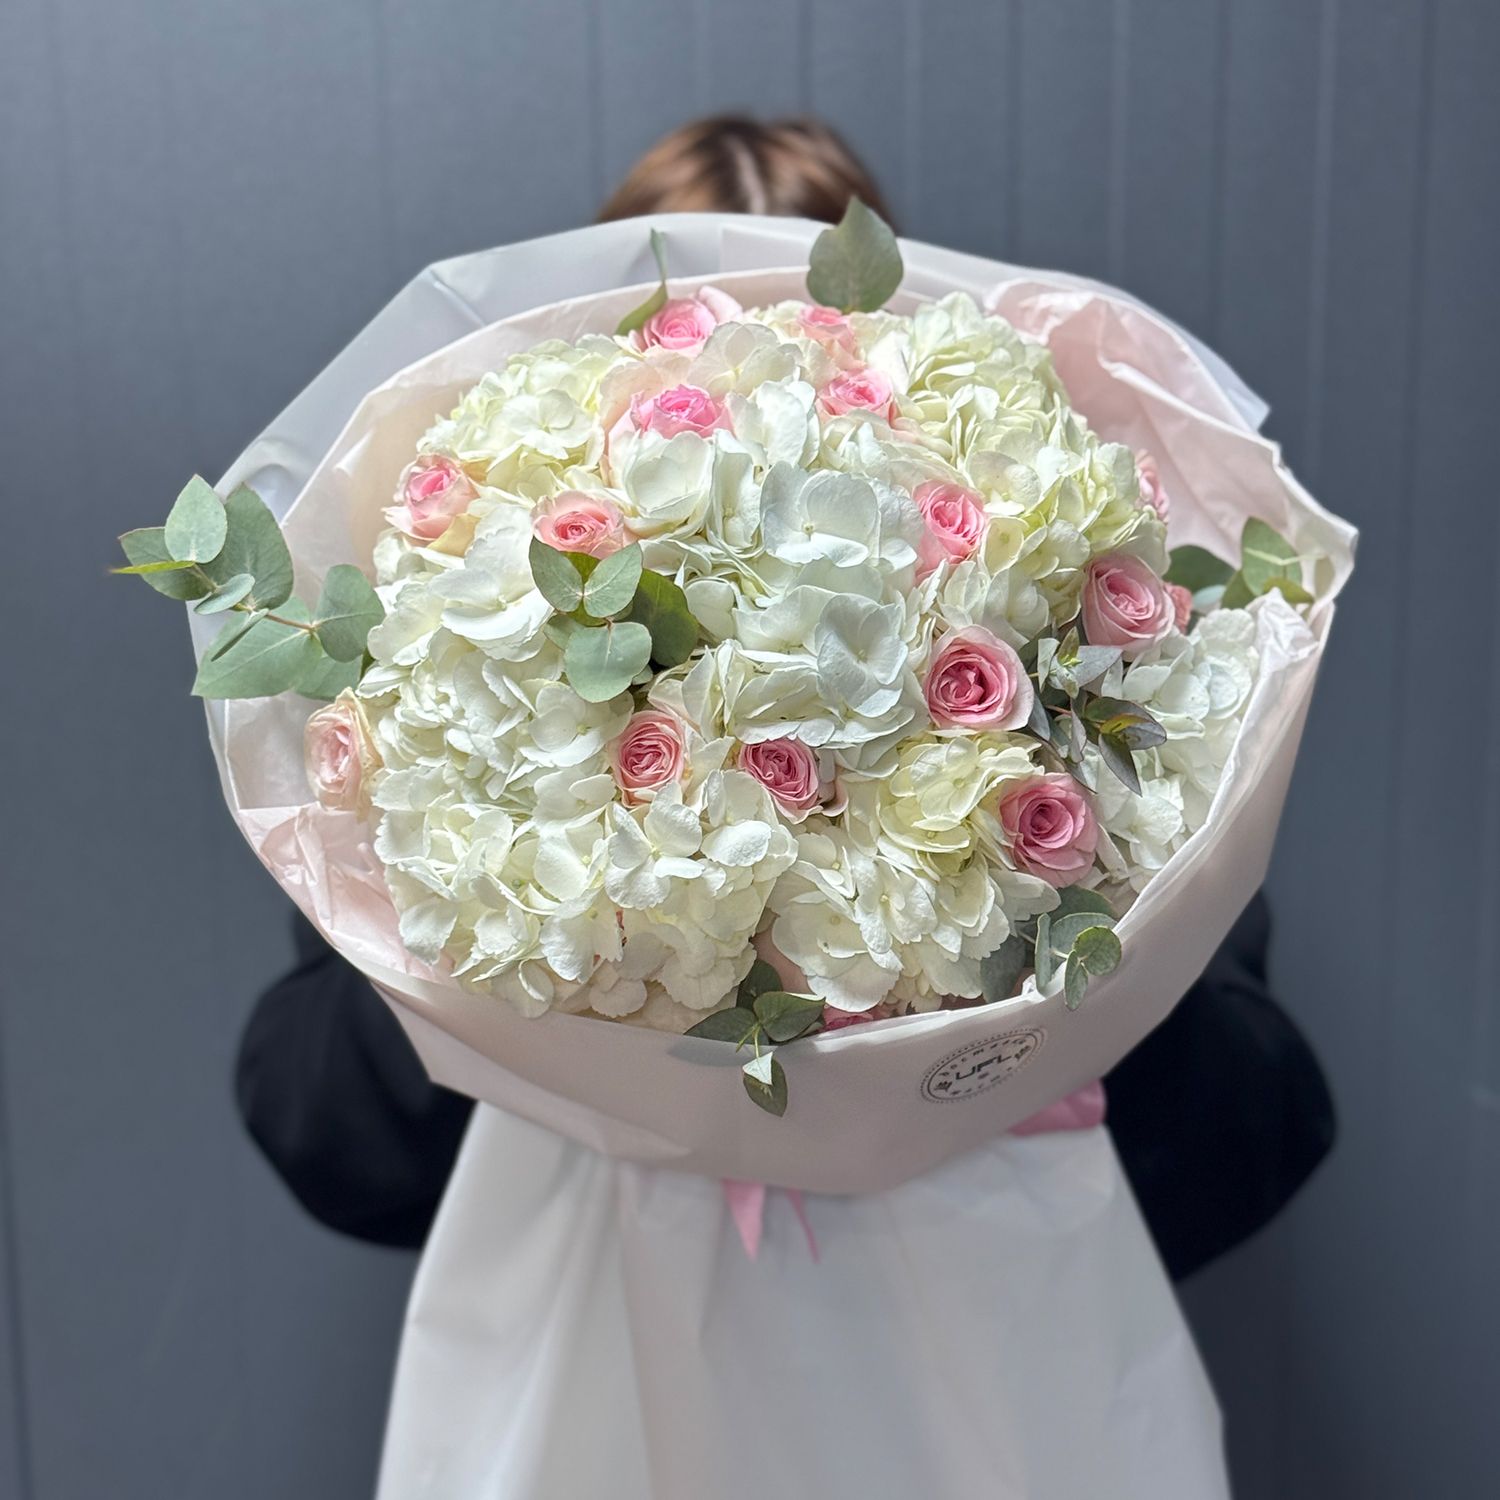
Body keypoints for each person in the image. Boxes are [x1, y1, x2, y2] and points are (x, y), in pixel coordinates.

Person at [236, 115, 1335, 1282]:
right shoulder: (452, 730)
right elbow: (322, 1135)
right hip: (597, 1291)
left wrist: (1052, 1016)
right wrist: (484, 1001)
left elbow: (1261, 1132)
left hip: (978, 1288)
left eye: (797, 336)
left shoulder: (1076, 724)